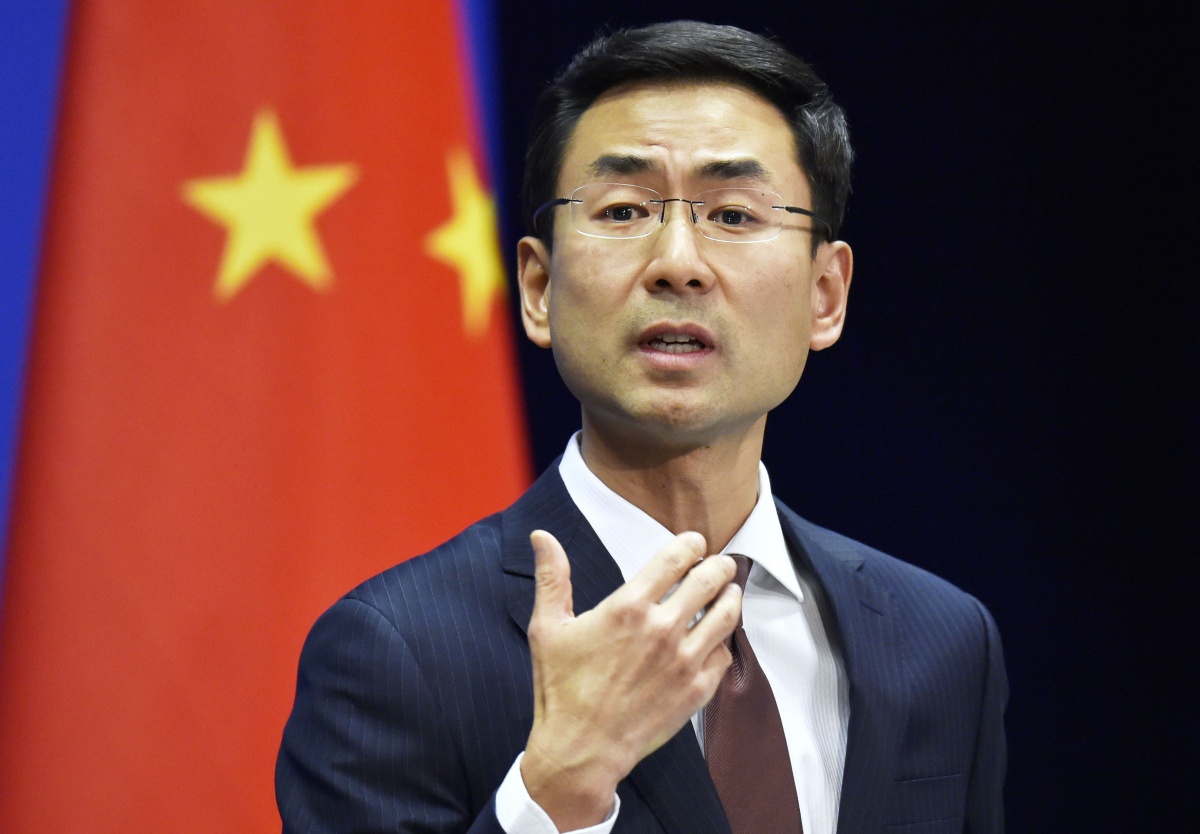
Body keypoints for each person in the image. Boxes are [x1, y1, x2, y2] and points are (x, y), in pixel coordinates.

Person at [276, 20, 1007, 834]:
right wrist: (559, 788)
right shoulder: (395, 652)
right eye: (623, 210)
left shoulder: (940, 642)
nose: (678, 262)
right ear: (538, 288)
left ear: (825, 295)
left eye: (735, 215)